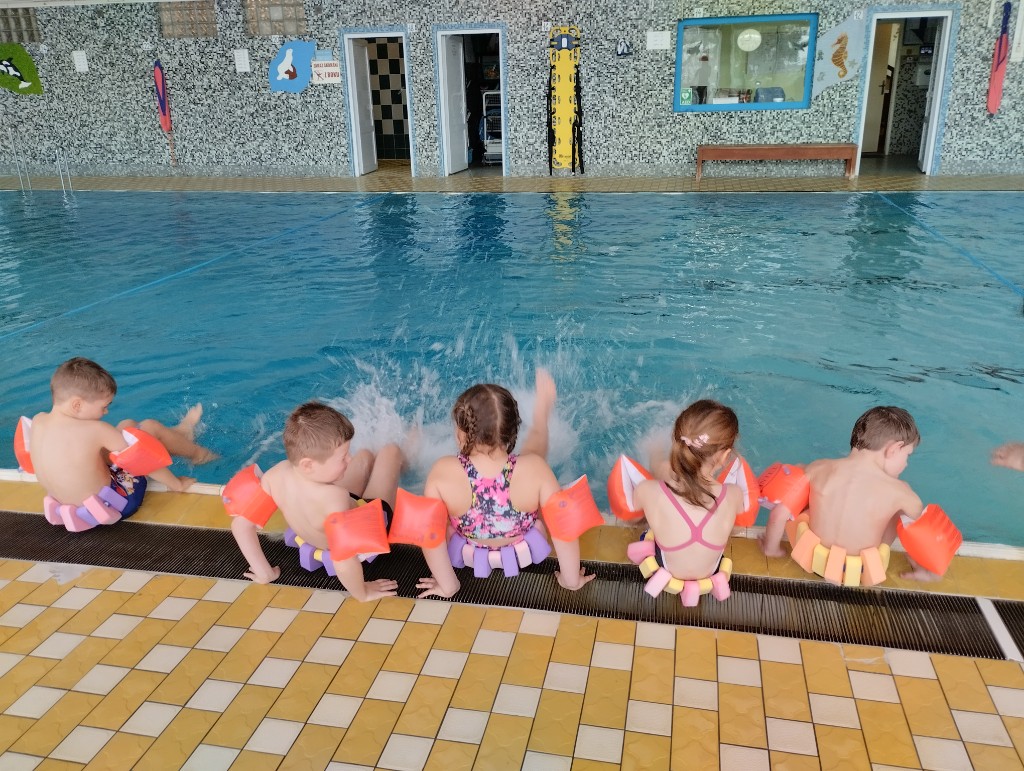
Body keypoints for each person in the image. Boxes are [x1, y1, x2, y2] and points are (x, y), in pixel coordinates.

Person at [414, 369, 595, 598]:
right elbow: (563, 528)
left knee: (437, 520)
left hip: (468, 552)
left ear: (461, 433)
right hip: (523, 550)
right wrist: (571, 579)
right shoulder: (535, 469)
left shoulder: (442, 471)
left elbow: (430, 535)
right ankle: (541, 417)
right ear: (512, 431)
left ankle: (541, 415)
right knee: (536, 465)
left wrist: (447, 585)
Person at [228, 401, 404, 601]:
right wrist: (362, 593)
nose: (349, 459)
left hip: (315, 532)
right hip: (364, 531)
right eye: (343, 457)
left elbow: (241, 525)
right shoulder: (335, 498)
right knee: (391, 452)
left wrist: (264, 572)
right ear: (308, 465)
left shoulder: (275, 475)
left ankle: (367, 459)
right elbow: (343, 556)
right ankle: (404, 454)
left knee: (364, 456)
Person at [759, 406, 939, 581]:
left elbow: (779, 513)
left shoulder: (819, 468)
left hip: (814, 561)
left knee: (804, 489)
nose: (906, 464)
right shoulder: (901, 491)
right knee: (902, 515)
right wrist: (931, 572)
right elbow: (927, 539)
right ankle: (924, 571)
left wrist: (771, 549)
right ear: (894, 449)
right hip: (861, 572)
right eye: (907, 455)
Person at [27, 357, 214, 523]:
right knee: (149, 427)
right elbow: (141, 459)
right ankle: (199, 454)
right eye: (103, 406)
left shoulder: (38, 420)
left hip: (70, 509)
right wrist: (176, 484)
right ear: (77, 404)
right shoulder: (96, 430)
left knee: (127, 425)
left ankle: (180, 433)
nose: (106, 411)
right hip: (114, 504)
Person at [631, 400, 744, 583]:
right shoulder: (734, 495)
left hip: (664, 567)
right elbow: (736, 529)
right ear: (724, 456)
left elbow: (632, 519)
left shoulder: (646, 490)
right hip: (711, 572)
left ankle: (655, 453)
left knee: (663, 472)